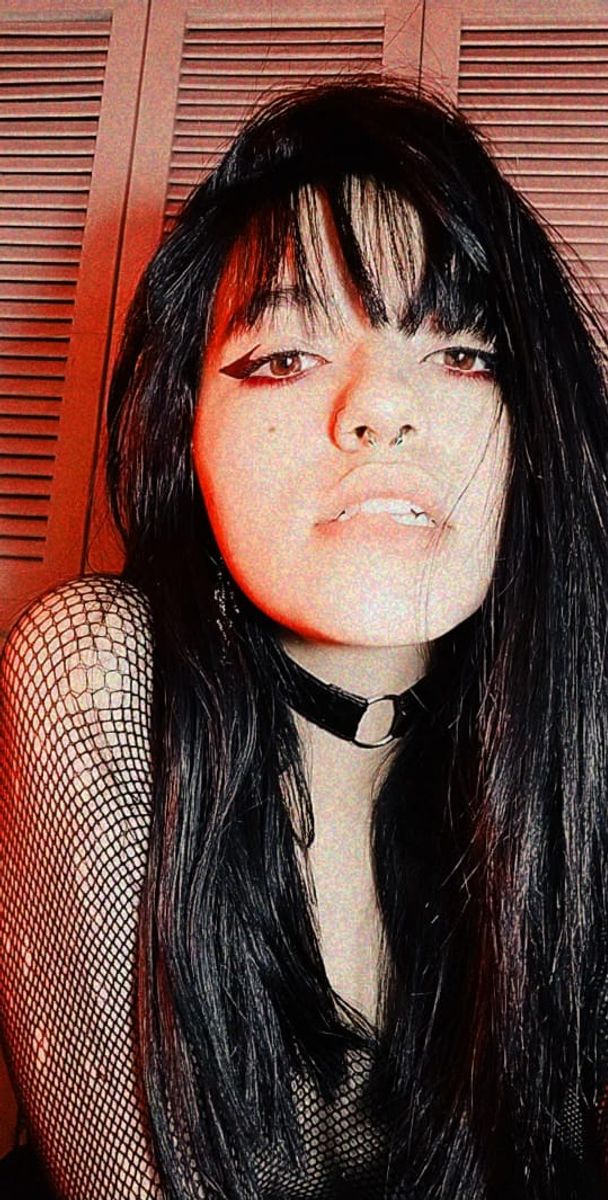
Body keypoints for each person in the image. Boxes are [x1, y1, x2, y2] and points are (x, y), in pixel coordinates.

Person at [0, 73, 607, 1200]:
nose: (381, 407)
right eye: (282, 357)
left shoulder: (576, 721)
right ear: (185, 435)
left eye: (463, 353)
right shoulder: (96, 675)